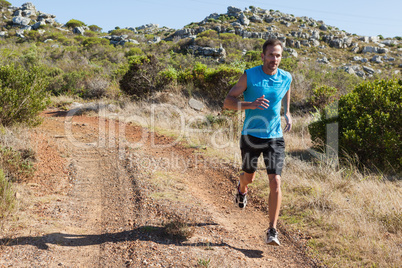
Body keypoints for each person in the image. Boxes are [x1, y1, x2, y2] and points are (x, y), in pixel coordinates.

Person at [223, 39, 292, 246]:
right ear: (263, 56)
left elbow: (286, 89)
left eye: (278, 55)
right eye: (271, 55)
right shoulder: (250, 75)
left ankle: (272, 230)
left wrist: (287, 112)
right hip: (251, 136)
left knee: (275, 181)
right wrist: (250, 104)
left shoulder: (286, 77)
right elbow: (228, 101)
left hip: (275, 137)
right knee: (249, 178)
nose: (274, 59)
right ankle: (241, 189)